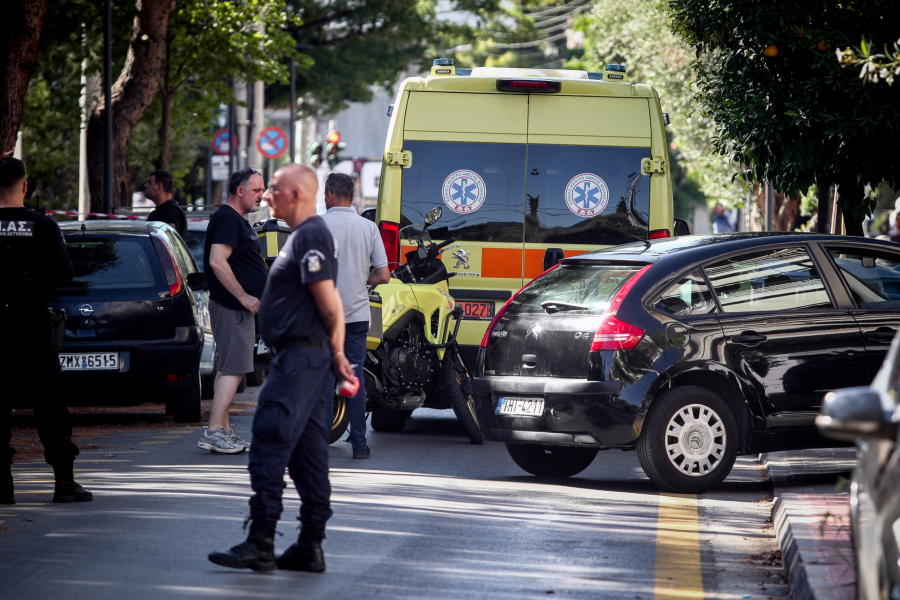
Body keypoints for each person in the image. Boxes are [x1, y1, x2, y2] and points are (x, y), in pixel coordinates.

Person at [208, 164, 354, 573]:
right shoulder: (301, 236)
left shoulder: (309, 236)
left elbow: (329, 302)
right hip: (305, 357)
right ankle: (310, 545)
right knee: (308, 455)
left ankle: (261, 541)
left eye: (274, 189)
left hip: (301, 360)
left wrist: (339, 355)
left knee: (270, 440)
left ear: (296, 195)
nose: (268, 196)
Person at [0, 157, 92, 504]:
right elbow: (65, 273)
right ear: (25, 186)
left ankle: (2, 485)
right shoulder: (42, 225)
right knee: (50, 405)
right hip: (32, 326)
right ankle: (64, 482)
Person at [198, 167, 267, 454]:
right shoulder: (228, 218)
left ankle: (223, 431)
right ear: (240, 191)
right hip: (232, 307)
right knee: (236, 370)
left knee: (229, 369)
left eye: (262, 190)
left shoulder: (236, 220)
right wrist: (245, 297)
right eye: (256, 190)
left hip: (233, 308)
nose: (261, 196)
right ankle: (214, 430)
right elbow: (217, 261)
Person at [321, 173, 390, 459]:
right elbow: (384, 275)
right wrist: (362, 278)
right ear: (352, 196)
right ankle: (359, 446)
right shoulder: (368, 227)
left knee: (324, 380)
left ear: (328, 195)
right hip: (357, 317)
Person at [145, 170, 187, 237]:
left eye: (150, 183)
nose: (146, 185)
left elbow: (166, 244)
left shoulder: (170, 213)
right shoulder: (163, 211)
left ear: (159, 186)